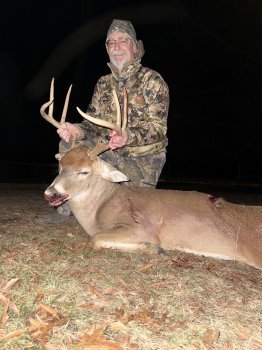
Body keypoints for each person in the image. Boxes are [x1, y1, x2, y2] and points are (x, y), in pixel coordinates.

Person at [42, 19, 169, 221]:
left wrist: (128, 136)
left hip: (142, 159)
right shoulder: (103, 83)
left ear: (135, 48)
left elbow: (158, 129)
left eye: (123, 41)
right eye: (111, 42)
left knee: (128, 212)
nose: (116, 46)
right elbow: (92, 123)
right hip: (108, 151)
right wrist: (77, 129)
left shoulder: (152, 81)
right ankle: (68, 206)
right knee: (68, 143)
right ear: (107, 49)